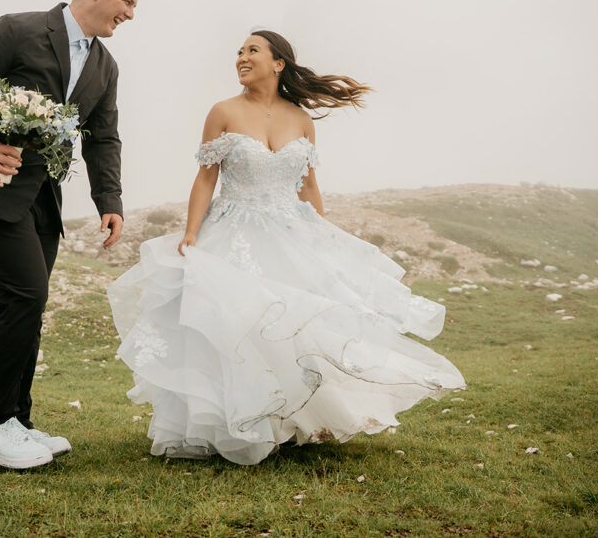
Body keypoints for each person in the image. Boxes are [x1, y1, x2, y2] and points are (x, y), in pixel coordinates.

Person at [108, 30, 466, 465]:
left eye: (252, 50)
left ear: (278, 63)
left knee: (294, 329)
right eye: (239, 51)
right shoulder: (222, 111)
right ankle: (230, 425)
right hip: (233, 230)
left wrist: (321, 237)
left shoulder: (301, 119)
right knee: (236, 329)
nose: (241, 57)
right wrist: (190, 232)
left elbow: (309, 185)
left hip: (291, 232)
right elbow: (206, 178)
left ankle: (286, 423)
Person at [0, 0, 145, 469]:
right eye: (127, 1)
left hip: (41, 204)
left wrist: (109, 202)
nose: (132, 14)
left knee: (27, 306)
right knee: (23, 295)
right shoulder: (18, 29)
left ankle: (17, 422)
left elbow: (104, 137)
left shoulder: (105, 66)